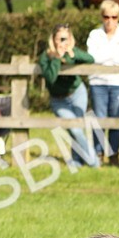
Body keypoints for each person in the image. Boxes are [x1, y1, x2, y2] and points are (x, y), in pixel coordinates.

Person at [39, 24, 97, 167]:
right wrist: (57, 58)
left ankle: (77, 162)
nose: (63, 42)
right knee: (74, 129)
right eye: (60, 39)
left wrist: (73, 54)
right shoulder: (46, 57)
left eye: (66, 38)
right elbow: (50, 77)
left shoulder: (72, 52)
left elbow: (90, 59)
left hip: (77, 94)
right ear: (53, 40)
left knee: (76, 129)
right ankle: (94, 162)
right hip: (59, 101)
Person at [86, 0, 119, 167]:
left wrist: (105, 56)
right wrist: (113, 56)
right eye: (106, 17)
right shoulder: (94, 35)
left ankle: (114, 155)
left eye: (114, 17)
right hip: (98, 82)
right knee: (98, 120)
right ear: (101, 16)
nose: (110, 21)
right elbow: (93, 58)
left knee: (115, 120)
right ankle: (98, 154)